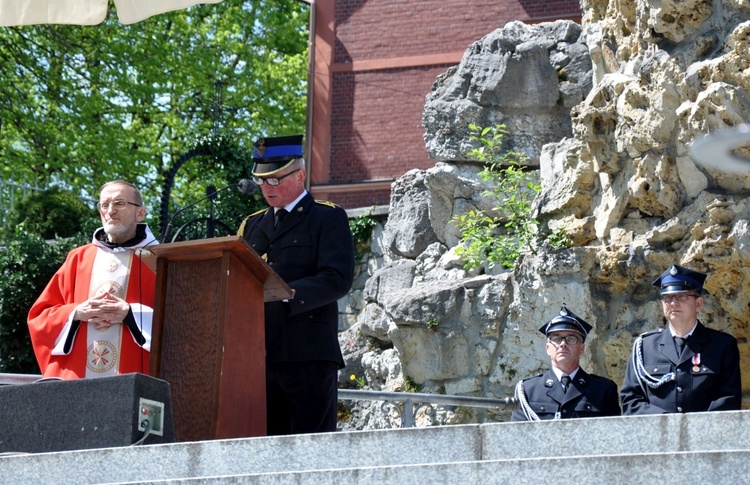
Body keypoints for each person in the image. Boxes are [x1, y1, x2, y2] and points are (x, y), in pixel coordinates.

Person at [238, 135, 355, 435]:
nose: (267, 188)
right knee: (263, 450)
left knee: (311, 450)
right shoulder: (252, 225)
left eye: (275, 180)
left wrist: (288, 294)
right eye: (262, 181)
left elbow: (337, 278)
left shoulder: (326, 217)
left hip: (309, 355)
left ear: (300, 174)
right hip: (260, 356)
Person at [27, 180, 158, 379]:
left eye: (120, 203)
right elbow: (40, 317)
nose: (110, 211)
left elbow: (181, 324)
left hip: (134, 375)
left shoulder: (159, 259)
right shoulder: (78, 258)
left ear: (140, 213)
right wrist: (77, 312)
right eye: (104, 205)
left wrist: (131, 315)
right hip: (77, 379)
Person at [620, 264, 741, 414]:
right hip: (658, 434)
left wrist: (693, 427)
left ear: (698, 304)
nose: (673, 303)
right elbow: (631, 401)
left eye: (682, 296)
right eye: (667, 297)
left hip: (705, 435)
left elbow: (729, 399)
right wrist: (667, 423)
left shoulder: (722, 345)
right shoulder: (645, 347)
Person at [512, 306, 621, 421]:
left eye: (571, 338)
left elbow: (611, 435)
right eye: (556, 338)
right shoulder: (528, 390)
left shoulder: (603, 389)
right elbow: (520, 435)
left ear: (582, 348)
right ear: (548, 348)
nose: (563, 344)